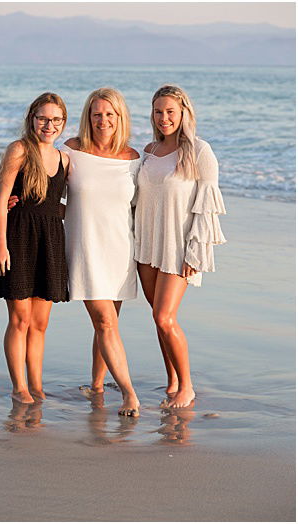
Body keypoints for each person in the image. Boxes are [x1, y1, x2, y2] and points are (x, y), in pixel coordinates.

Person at [134, 84, 226, 408]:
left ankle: (187, 386)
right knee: (157, 317)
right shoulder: (148, 150)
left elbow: (207, 205)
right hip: (146, 245)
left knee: (164, 317)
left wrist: (195, 252)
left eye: (170, 111)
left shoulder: (199, 151)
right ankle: (172, 381)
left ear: (184, 112)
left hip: (178, 246)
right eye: (158, 112)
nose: (164, 118)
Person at [61, 87, 141, 417]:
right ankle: (129, 394)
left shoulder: (135, 158)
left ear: (119, 117)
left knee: (108, 324)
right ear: (88, 117)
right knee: (106, 322)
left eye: (110, 114)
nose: (103, 120)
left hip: (120, 249)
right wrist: (18, 200)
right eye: (97, 114)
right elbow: (47, 186)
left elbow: (145, 206)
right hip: (85, 248)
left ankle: (96, 384)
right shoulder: (71, 152)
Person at [0, 92, 70, 404]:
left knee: (40, 323)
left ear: (63, 123)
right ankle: (19, 387)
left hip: (50, 242)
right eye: (43, 118)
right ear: (32, 119)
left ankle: (37, 385)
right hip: (18, 240)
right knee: (19, 318)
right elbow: (0, 199)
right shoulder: (19, 150)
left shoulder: (65, 159)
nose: (49, 125)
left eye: (56, 120)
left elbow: (58, 206)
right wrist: (0, 246)